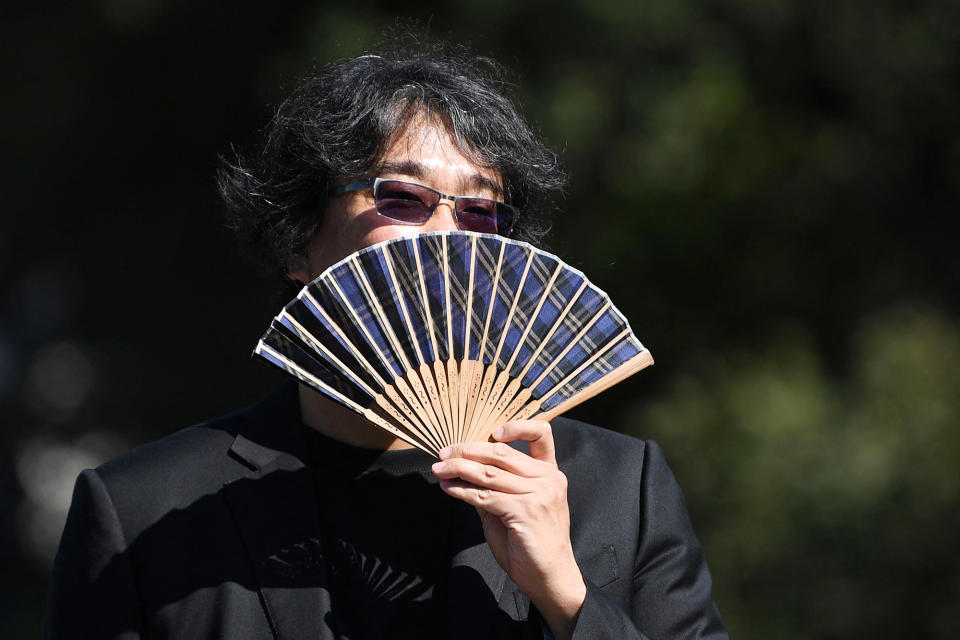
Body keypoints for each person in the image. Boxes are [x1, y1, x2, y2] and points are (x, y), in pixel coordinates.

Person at [45, 43, 728, 640]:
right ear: (297, 239)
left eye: (481, 210)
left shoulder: (617, 490)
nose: (446, 237)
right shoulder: (145, 511)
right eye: (402, 198)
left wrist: (568, 600)